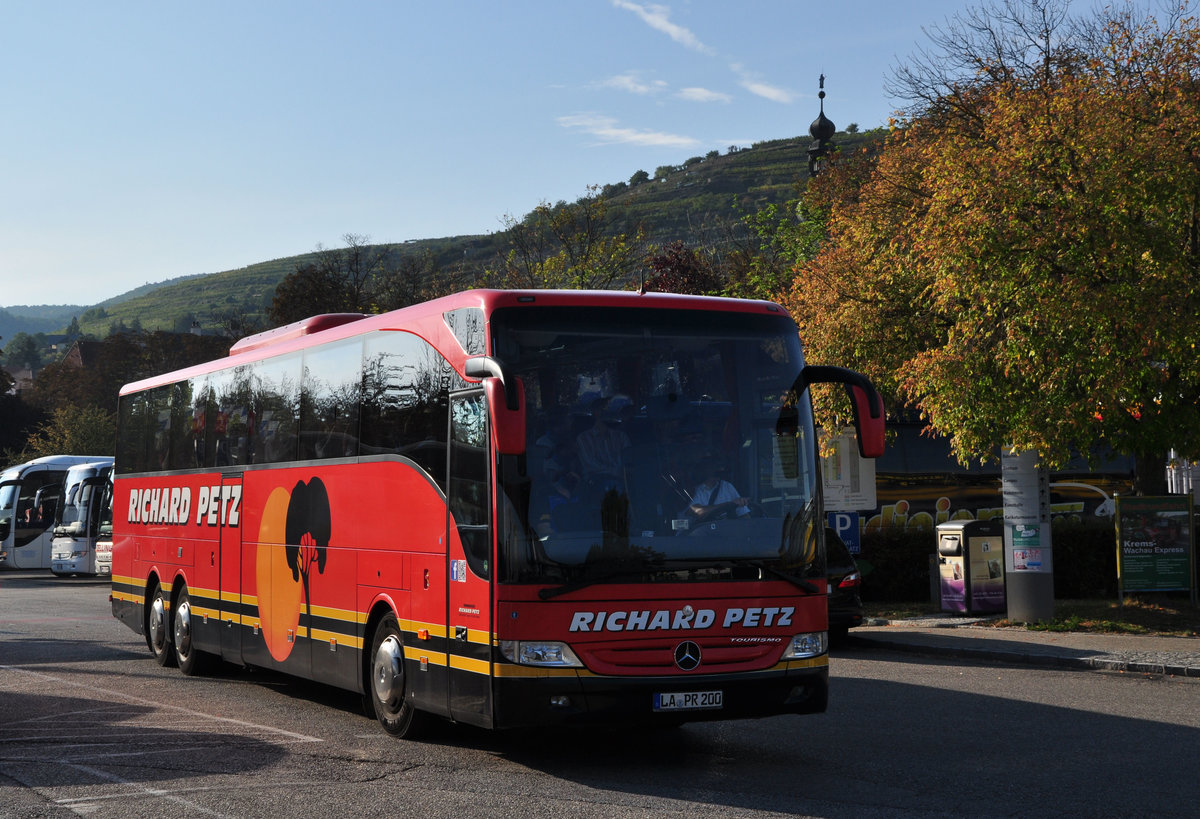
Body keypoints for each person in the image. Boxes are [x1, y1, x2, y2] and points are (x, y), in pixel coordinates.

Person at [575, 397, 631, 489]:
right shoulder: (583, 438)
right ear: (594, 412)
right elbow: (591, 465)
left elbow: (628, 460)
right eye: (600, 409)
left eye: (607, 409)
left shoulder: (621, 436)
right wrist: (616, 472)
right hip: (595, 485)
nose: (603, 412)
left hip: (622, 483)